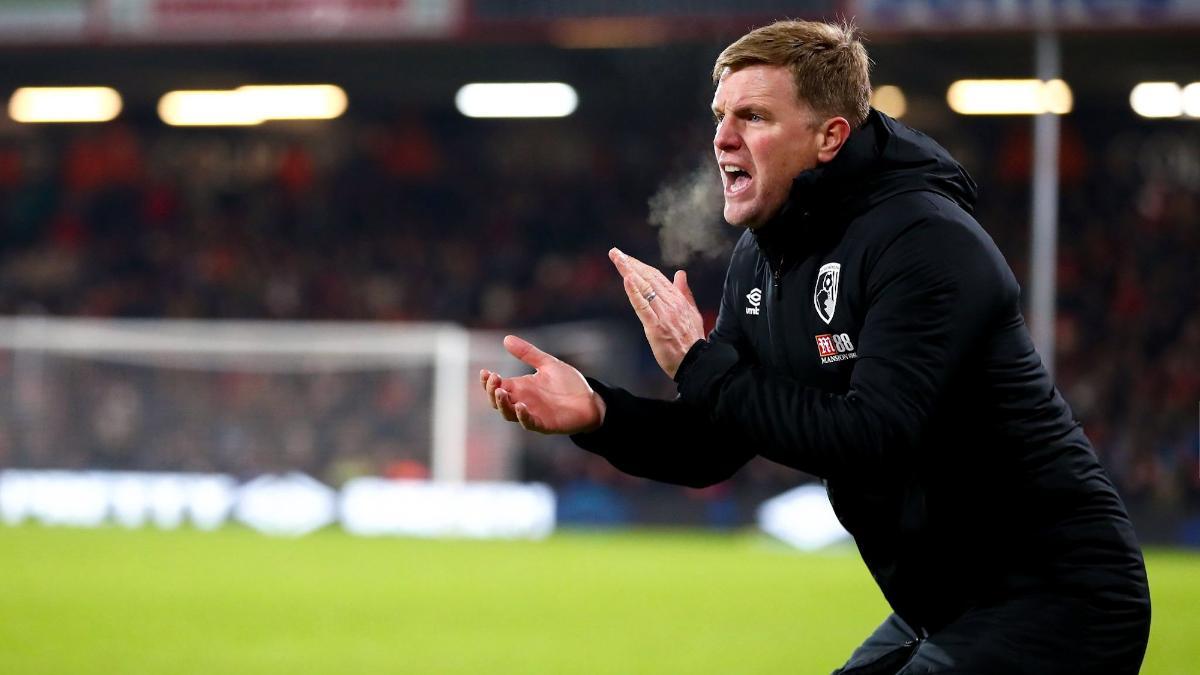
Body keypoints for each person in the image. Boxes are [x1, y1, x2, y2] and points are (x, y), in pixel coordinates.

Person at [480, 19, 1151, 675]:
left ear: (830, 136)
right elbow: (716, 439)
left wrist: (699, 362)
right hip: (943, 603)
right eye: (720, 115)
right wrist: (600, 412)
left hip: (1059, 596)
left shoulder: (923, 240)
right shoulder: (763, 255)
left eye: (753, 117)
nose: (722, 138)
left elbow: (872, 438)